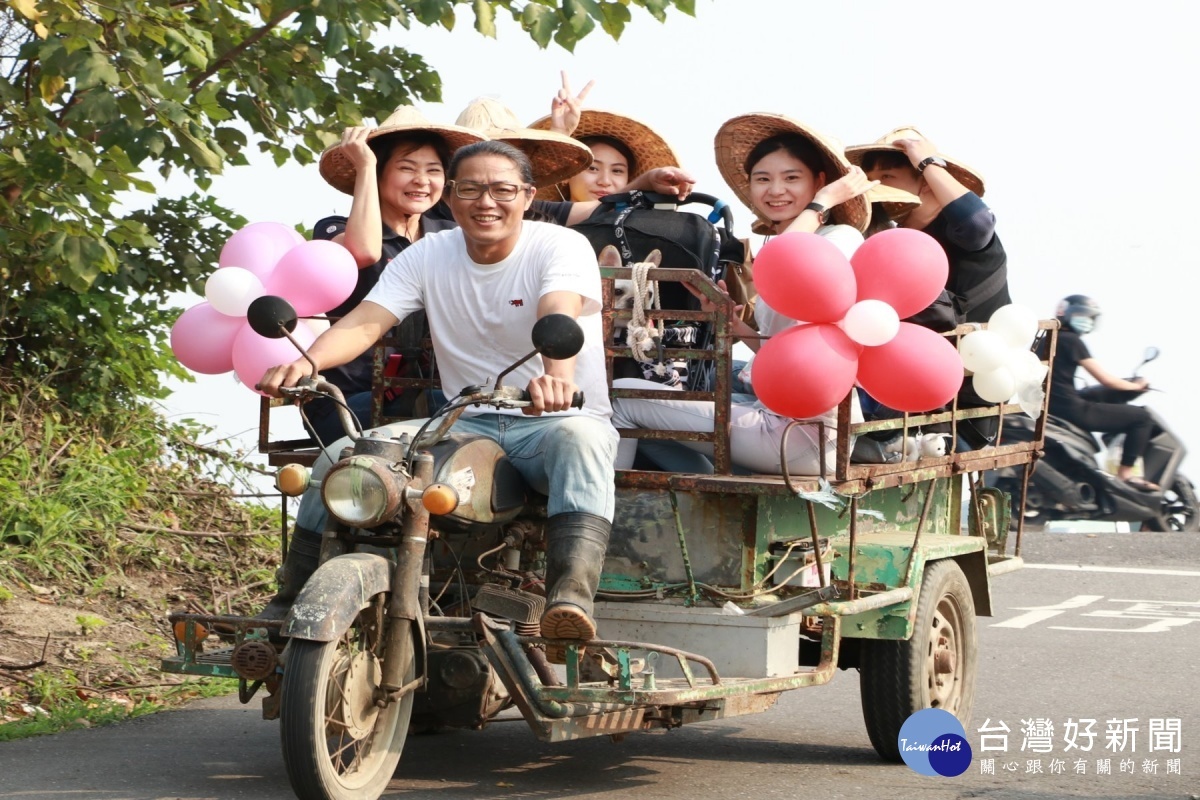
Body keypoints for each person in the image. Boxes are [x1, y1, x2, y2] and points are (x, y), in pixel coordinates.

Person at [258, 140, 621, 649]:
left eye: (502, 189)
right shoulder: (429, 253)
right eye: (470, 189)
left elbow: (555, 312)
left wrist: (556, 377)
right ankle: (288, 602)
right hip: (463, 423)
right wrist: (306, 362)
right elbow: (365, 323)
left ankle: (570, 601)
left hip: (551, 420)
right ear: (451, 197)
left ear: (528, 196)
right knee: (342, 455)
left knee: (583, 441)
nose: (486, 202)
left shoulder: (559, 246)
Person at [611, 113, 874, 475]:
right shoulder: (783, 245)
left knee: (622, 396)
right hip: (783, 421)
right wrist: (735, 326)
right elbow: (784, 354)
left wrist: (823, 203)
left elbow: (793, 259)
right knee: (656, 411)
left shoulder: (839, 237)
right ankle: (702, 488)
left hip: (803, 434)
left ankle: (606, 509)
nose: (776, 190)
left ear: (820, 182)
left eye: (792, 178)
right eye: (762, 179)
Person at [301, 107, 484, 445]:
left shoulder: (450, 235)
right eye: (405, 168)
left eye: (433, 170)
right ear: (379, 174)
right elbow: (365, 252)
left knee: (484, 408)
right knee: (459, 411)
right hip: (350, 400)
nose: (421, 180)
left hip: (434, 395)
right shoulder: (335, 229)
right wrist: (365, 165)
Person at [846, 127, 1010, 324]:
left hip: (981, 350)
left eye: (887, 176)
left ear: (926, 182)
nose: (875, 186)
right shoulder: (890, 242)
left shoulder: (960, 231)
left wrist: (928, 163)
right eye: (870, 179)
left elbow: (978, 223)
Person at [1039, 295, 1160, 491]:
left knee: (1092, 397)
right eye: (1082, 315)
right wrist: (1136, 386)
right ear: (1067, 314)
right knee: (1142, 418)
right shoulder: (1071, 341)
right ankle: (1126, 474)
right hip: (1071, 409)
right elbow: (1106, 380)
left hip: (1051, 406)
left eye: (1090, 317)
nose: (1087, 321)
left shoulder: (1046, 340)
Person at [526, 73, 682, 203]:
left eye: (617, 171)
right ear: (566, 175)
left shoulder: (638, 231)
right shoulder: (539, 225)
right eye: (593, 168)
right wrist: (560, 133)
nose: (605, 181)